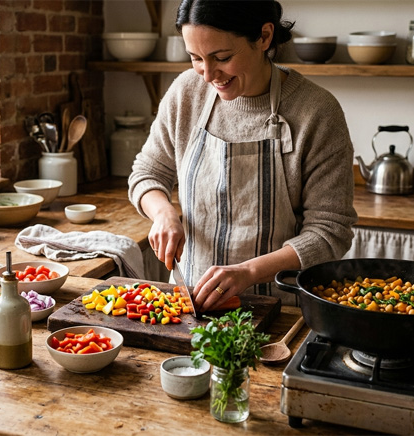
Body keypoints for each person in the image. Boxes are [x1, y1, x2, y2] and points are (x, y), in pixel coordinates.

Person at [128, 0, 357, 312]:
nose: (208, 75)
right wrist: (163, 213)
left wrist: (248, 272)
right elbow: (147, 172)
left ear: (264, 37)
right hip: (189, 304)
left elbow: (330, 232)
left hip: (280, 310)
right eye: (196, 58)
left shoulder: (316, 111)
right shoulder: (186, 93)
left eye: (222, 58)